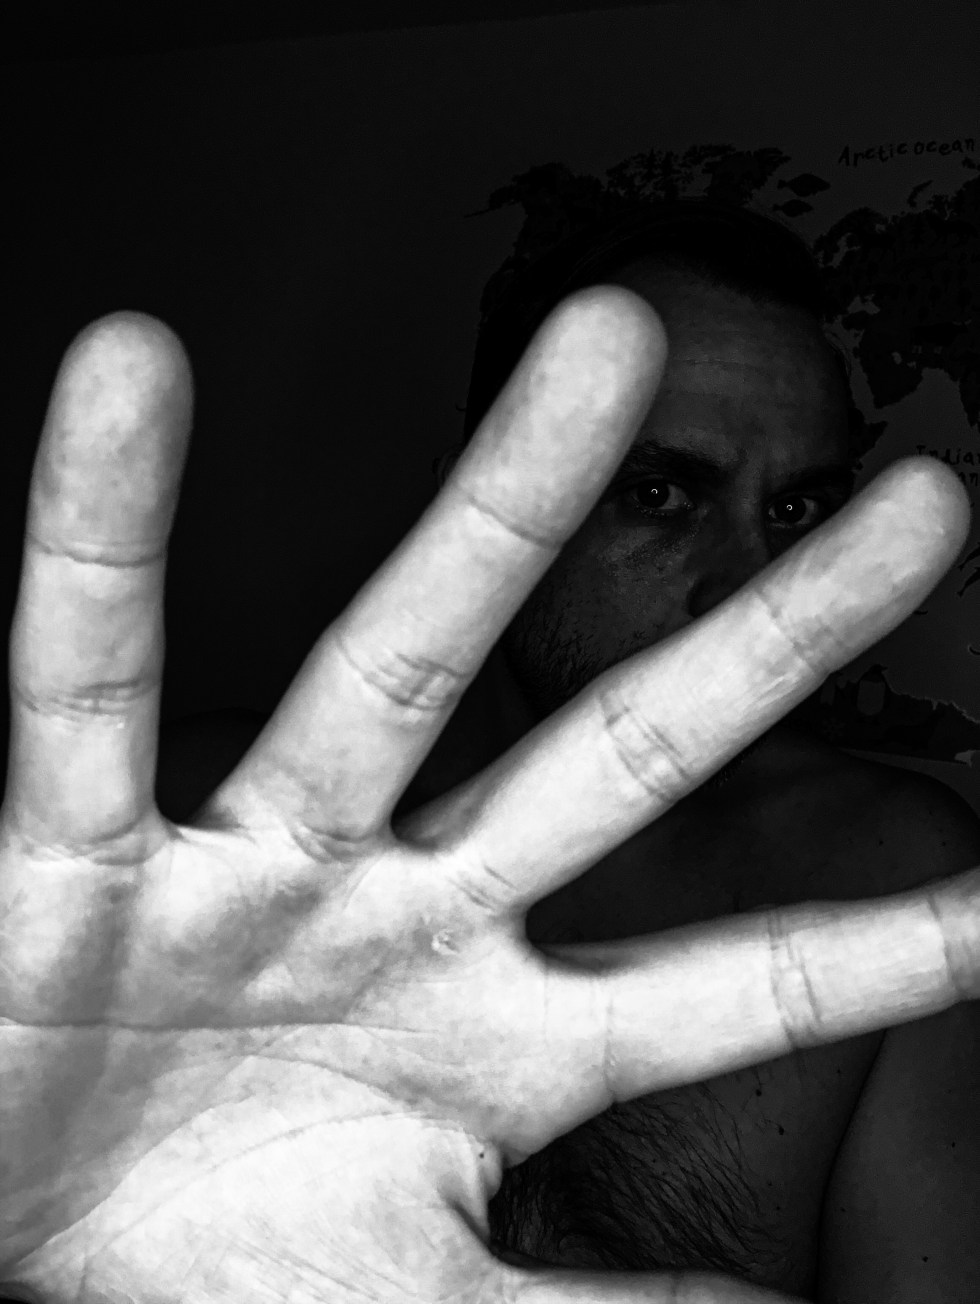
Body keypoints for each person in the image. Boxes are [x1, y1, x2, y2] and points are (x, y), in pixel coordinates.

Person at [1, 230, 977, 1304]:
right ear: (499, 488)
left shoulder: (886, 873)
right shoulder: (187, 822)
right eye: (659, 493)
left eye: (793, 509)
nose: (743, 580)